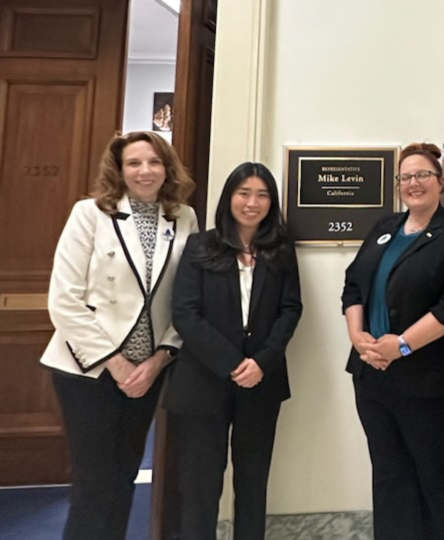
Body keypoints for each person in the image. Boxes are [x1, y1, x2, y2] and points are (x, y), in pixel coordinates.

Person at [39, 131, 197, 540]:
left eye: (154, 162)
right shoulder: (90, 213)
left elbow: (187, 298)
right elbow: (64, 300)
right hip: (88, 369)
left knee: (126, 475)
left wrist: (159, 359)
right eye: (134, 163)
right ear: (119, 170)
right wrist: (118, 362)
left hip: (150, 369)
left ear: (167, 167)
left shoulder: (184, 217)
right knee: (93, 482)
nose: (145, 171)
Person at [341, 142, 444, 540]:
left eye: (422, 174)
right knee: (389, 473)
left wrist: (401, 345)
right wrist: (359, 338)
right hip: (373, 376)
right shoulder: (384, 228)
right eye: (405, 176)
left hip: (434, 381)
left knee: (434, 476)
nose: (413, 183)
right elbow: (353, 285)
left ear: (440, 182)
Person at [164, 162, 302, 540]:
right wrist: (233, 363)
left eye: (262, 195)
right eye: (244, 193)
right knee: (201, 487)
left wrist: (261, 361)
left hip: (262, 382)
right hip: (203, 383)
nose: (252, 202)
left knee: (253, 483)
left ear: (271, 203)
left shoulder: (281, 249)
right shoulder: (200, 246)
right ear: (229, 198)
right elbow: (185, 314)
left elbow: (291, 309)